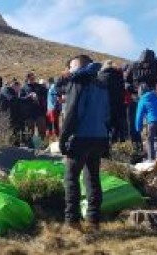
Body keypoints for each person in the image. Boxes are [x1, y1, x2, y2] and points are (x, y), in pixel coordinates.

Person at [59, 55, 108, 231]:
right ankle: (93, 220)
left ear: (78, 66)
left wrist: (63, 138)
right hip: (99, 136)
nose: (69, 69)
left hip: (80, 137)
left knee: (71, 178)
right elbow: (107, 113)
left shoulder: (78, 81)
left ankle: (72, 221)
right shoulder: (102, 84)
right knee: (93, 178)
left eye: (71, 66)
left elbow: (72, 113)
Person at [98, 60, 127, 143]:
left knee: (104, 127)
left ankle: (104, 146)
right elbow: (122, 90)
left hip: (104, 105)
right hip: (118, 104)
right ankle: (114, 144)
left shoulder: (100, 76)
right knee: (115, 126)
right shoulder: (118, 76)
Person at [21, 72, 48, 143]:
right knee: (30, 131)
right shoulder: (24, 88)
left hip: (39, 112)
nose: (32, 80)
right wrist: (28, 97)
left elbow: (45, 97)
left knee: (42, 130)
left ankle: (43, 144)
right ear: (27, 79)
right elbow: (20, 100)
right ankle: (30, 146)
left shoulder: (39, 86)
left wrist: (38, 98)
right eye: (30, 78)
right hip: (29, 113)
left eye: (33, 78)